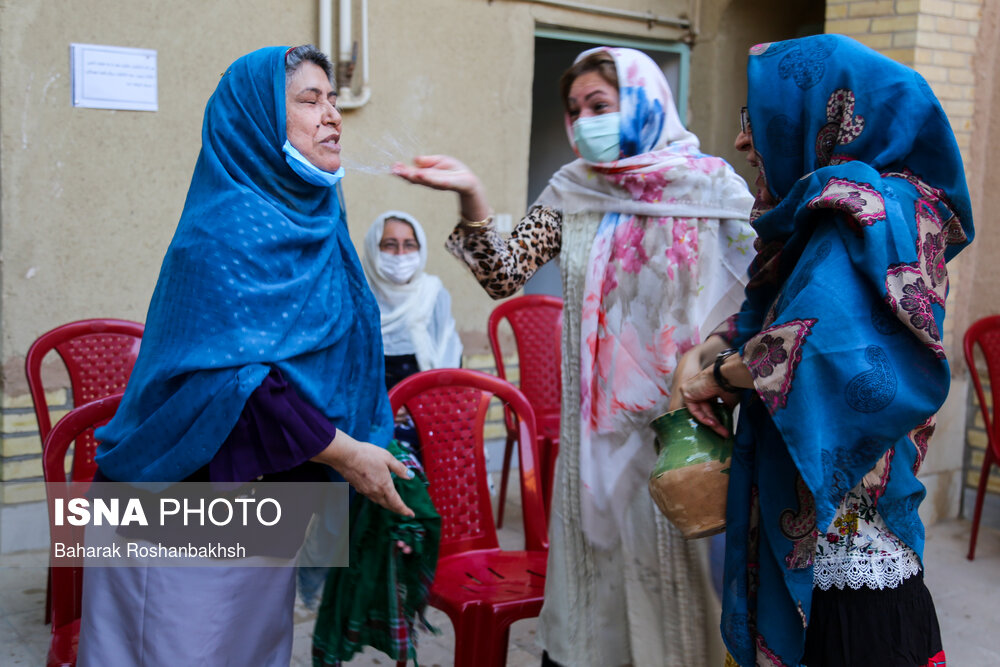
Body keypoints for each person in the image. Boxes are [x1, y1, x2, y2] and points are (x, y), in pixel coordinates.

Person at [395, 47, 755, 666]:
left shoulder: (715, 188)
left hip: (687, 429)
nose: (584, 119)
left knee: (684, 589)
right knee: (594, 596)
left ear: (643, 102)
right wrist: (472, 195)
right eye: (574, 109)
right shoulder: (573, 191)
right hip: (596, 438)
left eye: (600, 105)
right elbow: (505, 274)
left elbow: (760, 298)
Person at [77, 45, 415, 665]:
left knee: (251, 649)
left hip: (264, 501)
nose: (332, 116)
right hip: (176, 505)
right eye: (309, 101)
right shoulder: (220, 233)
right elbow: (241, 387)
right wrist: (349, 455)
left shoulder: (317, 223)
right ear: (255, 122)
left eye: (334, 99)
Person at [675, 34, 973, 666]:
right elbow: (790, 307)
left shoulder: (870, 212)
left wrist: (721, 376)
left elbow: (824, 349)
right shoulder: (828, 216)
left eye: (758, 117)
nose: (742, 141)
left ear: (828, 114)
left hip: (846, 573)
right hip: (834, 557)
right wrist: (711, 345)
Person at [361, 210, 463, 390]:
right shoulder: (359, 295)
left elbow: (448, 352)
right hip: (370, 405)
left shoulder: (432, 292)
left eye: (409, 244)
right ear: (373, 248)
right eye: (390, 244)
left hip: (426, 401)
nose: (400, 253)